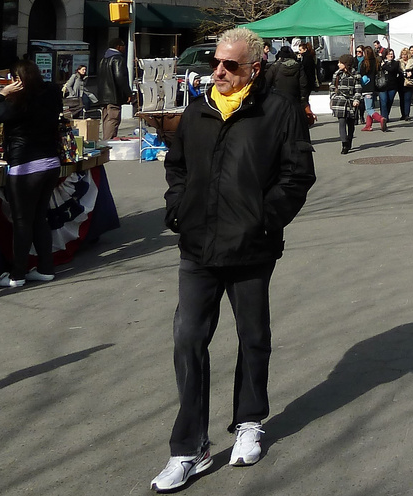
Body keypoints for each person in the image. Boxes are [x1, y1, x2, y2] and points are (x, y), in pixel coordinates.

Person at [152, 28, 314, 491]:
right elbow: (177, 165)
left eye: (230, 66)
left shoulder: (278, 111)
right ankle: (189, 448)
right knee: (188, 339)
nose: (218, 72)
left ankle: (249, 421)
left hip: (251, 246)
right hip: (198, 245)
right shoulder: (198, 110)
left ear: (254, 69)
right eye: (216, 64)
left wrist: (265, 218)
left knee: (253, 336)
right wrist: (176, 207)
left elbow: (298, 174)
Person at [0, 59, 65, 289]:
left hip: (26, 165)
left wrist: (2, 93)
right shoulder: (51, 93)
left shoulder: (19, 101)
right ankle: (46, 268)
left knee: (22, 221)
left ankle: (16, 275)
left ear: (17, 80)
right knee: (39, 217)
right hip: (50, 163)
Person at [94, 36, 132, 144]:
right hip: (113, 96)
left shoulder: (103, 59)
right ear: (118, 46)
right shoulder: (117, 59)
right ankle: (109, 143)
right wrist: (128, 93)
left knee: (106, 120)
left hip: (103, 96)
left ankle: (106, 141)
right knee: (113, 119)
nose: (124, 48)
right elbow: (120, 77)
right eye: (123, 46)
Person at [328, 54, 363, 154]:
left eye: (340, 63)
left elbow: (358, 89)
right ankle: (344, 144)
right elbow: (332, 87)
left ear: (346, 64)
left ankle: (349, 139)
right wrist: (332, 97)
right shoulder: (337, 74)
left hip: (351, 102)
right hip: (339, 101)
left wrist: (356, 99)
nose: (338, 64)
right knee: (341, 123)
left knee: (351, 124)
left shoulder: (356, 75)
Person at [263, 46, 308, 111]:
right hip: (294, 100)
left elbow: (267, 83)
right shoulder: (298, 66)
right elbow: (303, 84)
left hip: (277, 100)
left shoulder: (275, 67)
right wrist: (303, 100)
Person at [358, 45, 381, 131]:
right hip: (374, 87)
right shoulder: (376, 62)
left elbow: (362, 73)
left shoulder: (365, 63)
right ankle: (368, 125)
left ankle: (380, 118)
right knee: (371, 106)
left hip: (366, 87)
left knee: (369, 108)